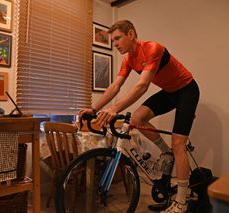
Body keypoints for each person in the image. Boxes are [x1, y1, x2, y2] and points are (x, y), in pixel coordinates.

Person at [79, 20, 199, 213]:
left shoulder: (152, 48)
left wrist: (115, 108)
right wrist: (94, 109)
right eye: (113, 40)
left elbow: (142, 85)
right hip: (169, 92)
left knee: (178, 143)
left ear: (131, 34)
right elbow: (115, 86)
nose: (115, 43)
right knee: (137, 119)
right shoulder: (128, 60)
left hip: (187, 90)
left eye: (117, 38)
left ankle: (182, 201)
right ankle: (165, 152)